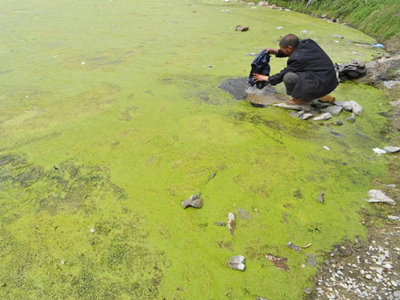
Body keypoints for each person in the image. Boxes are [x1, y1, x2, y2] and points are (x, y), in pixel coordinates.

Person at [253, 34, 338, 105]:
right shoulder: (307, 43)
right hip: (329, 80)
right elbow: (295, 52)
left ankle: (300, 100)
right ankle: (315, 94)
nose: (282, 50)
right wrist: (277, 52)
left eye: (283, 49)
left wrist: (266, 78)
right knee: (297, 74)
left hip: (322, 83)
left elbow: (283, 74)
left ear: (289, 48)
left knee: (288, 77)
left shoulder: (297, 59)